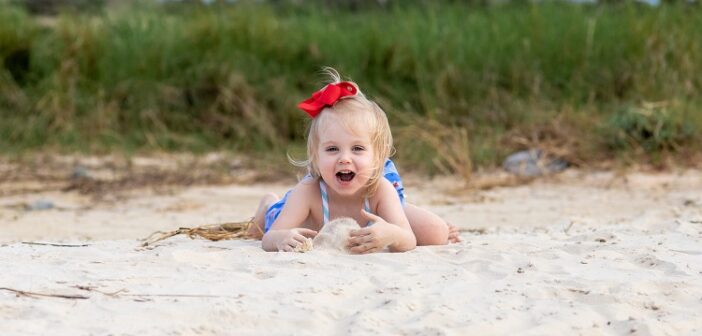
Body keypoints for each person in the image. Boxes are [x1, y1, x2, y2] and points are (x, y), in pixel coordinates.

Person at [248, 69, 461, 253]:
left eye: (357, 149)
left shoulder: (380, 189)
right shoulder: (308, 191)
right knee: (269, 221)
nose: (344, 159)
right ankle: (267, 204)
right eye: (332, 149)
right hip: (289, 214)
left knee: (432, 232)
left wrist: (391, 235)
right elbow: (270, 237)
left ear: (378, 158)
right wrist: (281, 238)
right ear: (316, 155)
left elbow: (408, 239)